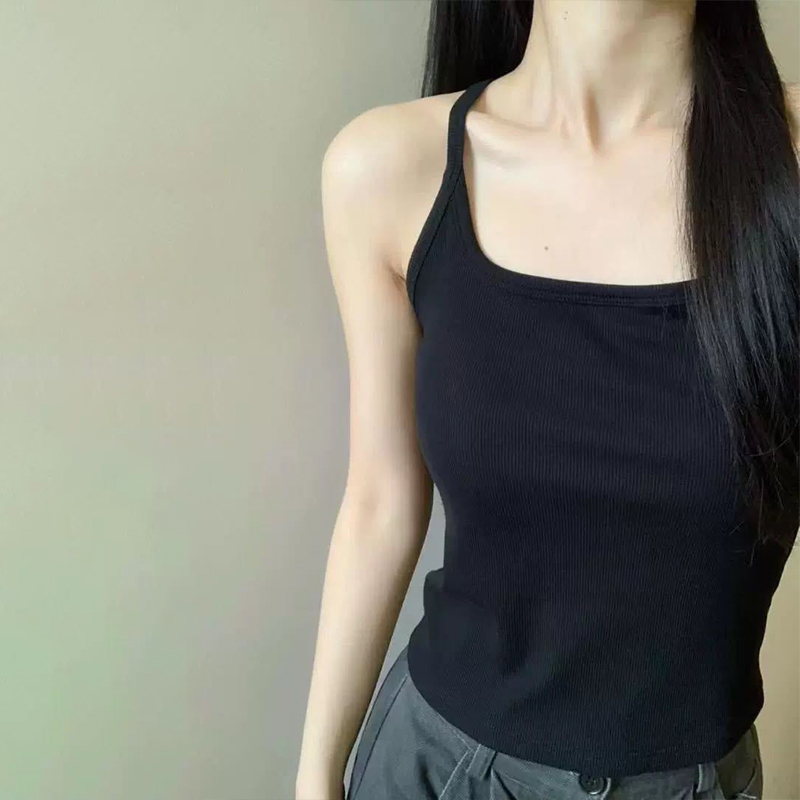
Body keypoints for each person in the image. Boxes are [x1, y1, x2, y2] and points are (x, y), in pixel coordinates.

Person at [296, 1, 800, 798]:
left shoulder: (788, 160)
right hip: (436, 768)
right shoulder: (388, 169)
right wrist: (316, 775)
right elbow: (380, 500)